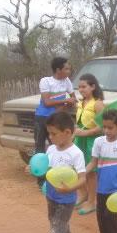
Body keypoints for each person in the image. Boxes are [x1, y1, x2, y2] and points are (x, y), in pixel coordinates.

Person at [34, 111, 87, 233]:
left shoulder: (76, 153)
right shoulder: (50, 149)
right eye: (49, 133)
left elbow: (82, 178)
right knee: (59, 226)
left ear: (67, 132)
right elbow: (47, 170)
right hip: (51, 196)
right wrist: (34, 169)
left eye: (54, 133)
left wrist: (69, 189)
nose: (50, 137)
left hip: (66, 200)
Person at [33, 57, 76, 187]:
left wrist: (68, 103)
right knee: (40, 149)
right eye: (66, 68)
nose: (69, 71)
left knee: (59, 147)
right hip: (43, 118)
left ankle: (57, 178)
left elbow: (73, 98)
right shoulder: (46, 81)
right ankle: (41, 181)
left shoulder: (67, 81)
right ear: (58, 70)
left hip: (57, 119)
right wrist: (64, 102)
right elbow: (46, 102)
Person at [74, 73, 104, 215]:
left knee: (91, 172)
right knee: (79, 168)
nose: (81, 89)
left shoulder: (97, 104)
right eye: (79, 87)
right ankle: (83, 195)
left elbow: (103, 127)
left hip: (92, 141)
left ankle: (92, 202)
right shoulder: (81, 103)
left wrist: (85, 133)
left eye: (84, 86)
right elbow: (80, 122)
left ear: (92, 87)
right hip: (79, 140)